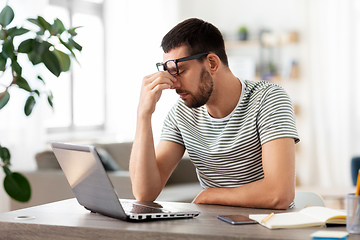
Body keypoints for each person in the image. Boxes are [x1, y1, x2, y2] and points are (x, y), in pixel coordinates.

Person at [129, 18, 300, 210]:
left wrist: (210, 194)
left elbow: (279, 195)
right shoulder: (181, 113)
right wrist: (143, 115)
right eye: (170, 74)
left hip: (269, 227)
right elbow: (144, 193)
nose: (173, 84)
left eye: (181, 71)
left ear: (212, 63)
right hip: (212, 227)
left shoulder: (268, 99)